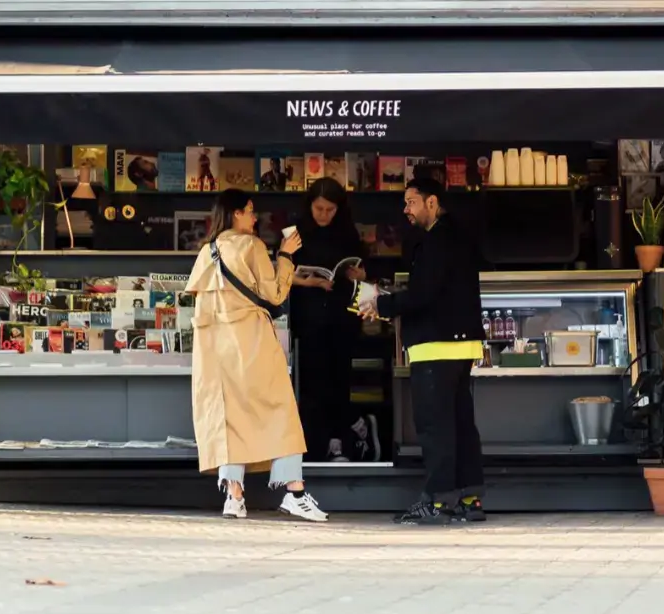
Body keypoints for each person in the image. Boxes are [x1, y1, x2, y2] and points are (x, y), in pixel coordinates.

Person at [184, 188, 328, 522]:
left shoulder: (208, 252)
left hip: (214, 346)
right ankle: (295, 491)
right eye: (249, 211)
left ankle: (234, 496)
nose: (254, 217)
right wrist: (287, 255)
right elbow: (275, 292)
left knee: (229, 415)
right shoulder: (252, 245)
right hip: (251, 338)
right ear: (236, 213)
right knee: (279, 408)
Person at [361, 177, 485, 525]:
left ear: (432, 203)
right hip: (463, 345)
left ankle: (439, 502)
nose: (406, 210)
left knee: (436, 426)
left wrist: (381, 304)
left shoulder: (434, 243)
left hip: (435, 346)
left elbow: (423, 294)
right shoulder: (460, 237)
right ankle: (470, 499)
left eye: (411, 202)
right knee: (462, 423)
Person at [290, 177, 367, 462]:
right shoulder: (296, 233)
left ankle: (340, 444)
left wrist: (360, 275)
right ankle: (313, 447)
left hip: (341, 318)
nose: (323, 215)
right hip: (309, 319)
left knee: (339, 383)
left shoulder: (348, 233)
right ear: (309, 205)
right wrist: (306, 282)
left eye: (329, 210)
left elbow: (360, 267)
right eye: (319, 208)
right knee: (312, 385)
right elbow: (281, 275)